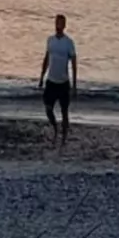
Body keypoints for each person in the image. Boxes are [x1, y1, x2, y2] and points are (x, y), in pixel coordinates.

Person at [41, 13, 78, 146]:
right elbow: (46, 59)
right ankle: (55, 128)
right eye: (57, 23)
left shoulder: (68, 43)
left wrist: (74, 85)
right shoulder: (50, 40)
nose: (58, 26)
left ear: (64, 26)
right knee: (48, 108)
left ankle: (64, 137)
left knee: (64, 112)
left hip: (63, 82)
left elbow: (74, 63)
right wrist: (41, 76)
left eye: (61, 23)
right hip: (51, 81)